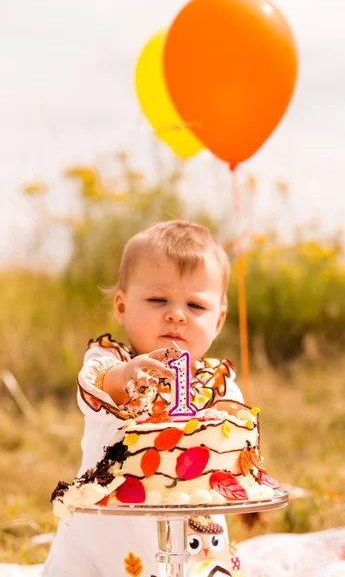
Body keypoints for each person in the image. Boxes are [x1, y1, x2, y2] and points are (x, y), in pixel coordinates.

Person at [43, 219, 244, 577]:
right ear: (121, 306)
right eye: (157, 299)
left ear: (219, 320)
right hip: (105, 520)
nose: (176, 314)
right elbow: (96, 387)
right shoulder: (111, 360)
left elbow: (236, 438)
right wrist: (126, 378)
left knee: (199, 566)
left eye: (196, 306)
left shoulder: (217, 382)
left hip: (192, 516)